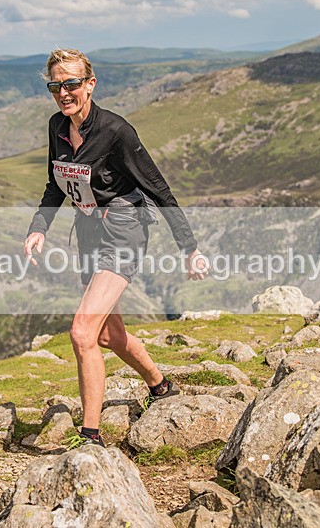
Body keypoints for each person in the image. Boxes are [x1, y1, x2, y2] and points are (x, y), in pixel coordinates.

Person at [23, 48, 207, 449]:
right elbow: (57, 184)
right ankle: (160, 386)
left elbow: (158, 188)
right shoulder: (57, 126)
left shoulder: (116, 131)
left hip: (124, 230)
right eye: (56, 86)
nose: (63, 92)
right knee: (108, 333)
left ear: (90, 84)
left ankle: (90, 437)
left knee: (82, 331)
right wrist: (39, 228)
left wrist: (189, 248)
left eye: (71, 83)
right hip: (88, 232)